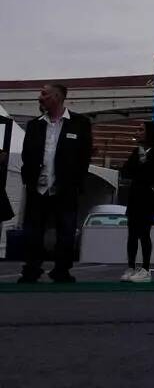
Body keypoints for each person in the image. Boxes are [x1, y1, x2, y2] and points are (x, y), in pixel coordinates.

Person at [18, 84, 93, 284]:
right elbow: (27, 155)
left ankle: (62, 270)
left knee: (66, 230)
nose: (39, 97)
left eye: (44, 94)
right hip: (38, 187)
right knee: (33, 229)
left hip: (65, 188)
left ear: (58, 97)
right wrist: (29, 179)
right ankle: (31, 269)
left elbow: (84, 156)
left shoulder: (80, 123)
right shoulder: (35, 125)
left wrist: (76, 183)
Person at [119, 121, 154, 284]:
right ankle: (131, 266)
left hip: (148, 199)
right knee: (132, 233)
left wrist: (141, 163)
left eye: (142, 130)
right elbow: (125, 171)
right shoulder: (136, 152)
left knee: (144, 233)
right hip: (134, 198)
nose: (138, 132)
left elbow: (151, 174)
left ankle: (146, 268)